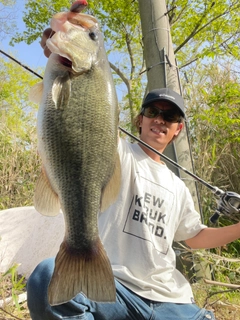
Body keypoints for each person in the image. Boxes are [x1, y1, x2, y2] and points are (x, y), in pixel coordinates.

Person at [27, 31, 240, 320]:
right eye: (153, 111)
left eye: (171, 117)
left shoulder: (178, 187)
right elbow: (79, 120)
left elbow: (194, 236)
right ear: (140, 120)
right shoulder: (114, 151)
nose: (161, 120)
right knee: (47, 276)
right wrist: (61, 55)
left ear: (178, 130)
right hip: (113, 291)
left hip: (170, 300)